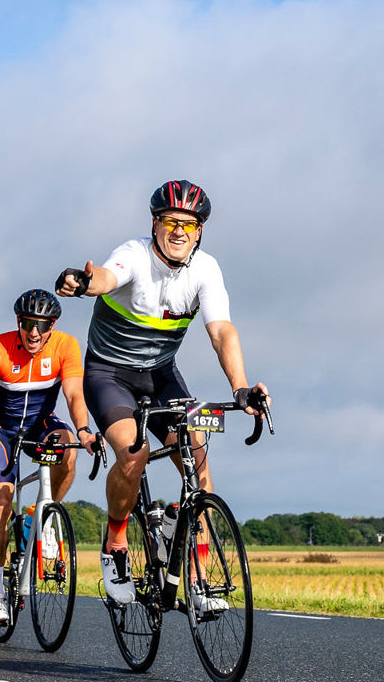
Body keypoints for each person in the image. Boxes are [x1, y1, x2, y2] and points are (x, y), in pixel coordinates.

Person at [54, 180, 268, 604]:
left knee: (198, 462)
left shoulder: (206, 269)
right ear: (155, 224)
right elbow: (106, 276)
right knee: (132, 455)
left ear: (200, 231)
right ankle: (115, 545)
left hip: (160, 374)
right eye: (171, 222)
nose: (179, 232)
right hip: (109, 374)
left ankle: (199, 582)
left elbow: (222, 331)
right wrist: (84, 281)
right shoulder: (135, 255)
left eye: (189, 225)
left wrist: (240, 388)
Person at [0, 291, 97, 623]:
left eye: (42, 325)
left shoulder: (66, 345)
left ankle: (44, 514)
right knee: (0, 505)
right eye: (27, 324)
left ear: (52, 325)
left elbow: (75, 393)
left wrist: (83, 430)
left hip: (39, 424)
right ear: (18, 322)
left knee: (67, 450)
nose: (34, 333)